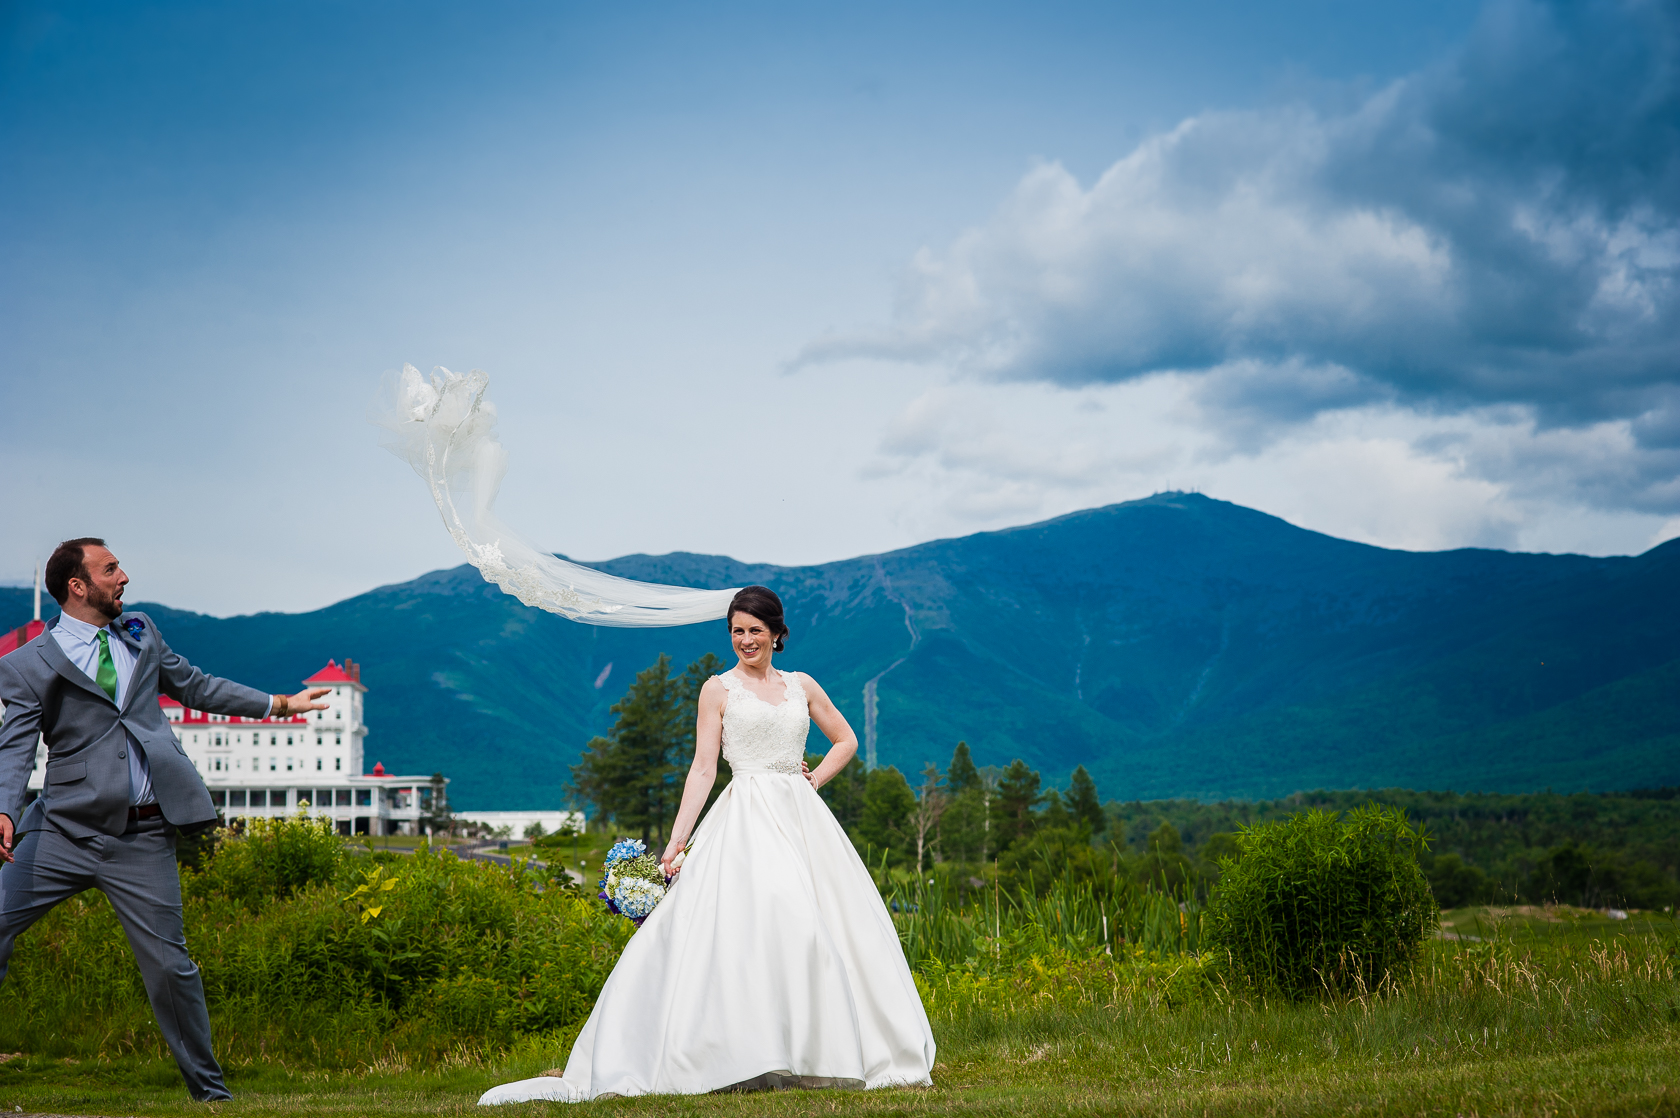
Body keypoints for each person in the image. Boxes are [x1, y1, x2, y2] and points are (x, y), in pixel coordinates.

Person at [479, 585, 936, 1104]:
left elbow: (846, 740)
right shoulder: (718, 689)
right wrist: (677, 842)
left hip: (802, 816)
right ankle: (744, 1049)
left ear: (777, 634)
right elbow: (703, 767)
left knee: (819, 926)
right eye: (737, 631)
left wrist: (812, 783)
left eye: (755, 631)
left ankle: (821, 1050)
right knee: (760, 923)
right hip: (744, 816)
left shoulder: (801, 685)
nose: (745, 640)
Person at [0, 538, 330, 1102]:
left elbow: (196, 686)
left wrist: (278, 703)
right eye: (110, 569)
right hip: (63, 831)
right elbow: (15, 746)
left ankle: (210, 1094)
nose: (123, 576)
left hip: (144, 835)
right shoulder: (25, 665)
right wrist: (4, 810)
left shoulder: (141, 631)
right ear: (77, 586)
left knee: (171, 969)